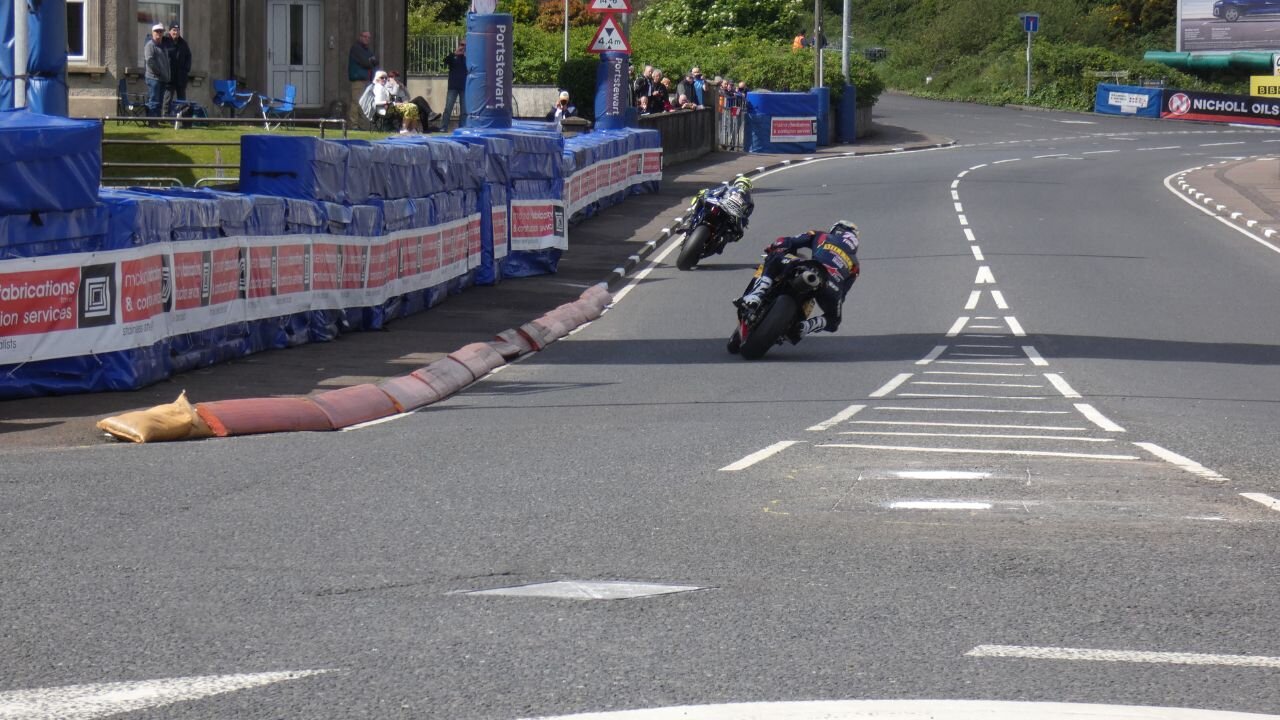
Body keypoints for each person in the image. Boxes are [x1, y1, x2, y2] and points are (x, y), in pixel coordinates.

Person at [737, 219, 862, 344]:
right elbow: (843, 295)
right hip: (831, 287)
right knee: (834, 321)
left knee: (774, 257)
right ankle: (807, 326)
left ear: (836, 230)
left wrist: (775, 246)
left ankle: (756, 295)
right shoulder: (855, 265)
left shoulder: (822, 236)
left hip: (809, 267)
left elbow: (790, 241)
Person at [348, 30, 378, 128]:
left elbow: (376, 61)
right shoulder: (356, 48)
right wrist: (370, 61)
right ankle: (353, 124)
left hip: (366, 80)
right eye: (365, 36)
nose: (367, 39)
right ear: (360, 37)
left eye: (368, 37)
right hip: (358, 79)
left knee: (363, 103)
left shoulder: (367, 50)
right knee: (356, 102)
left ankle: (361, 125)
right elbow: (366, 62)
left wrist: (371, 61)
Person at [143, 23, 170, 121]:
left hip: (162, 78)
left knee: (159, 101)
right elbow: (150, 61)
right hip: (153, 78)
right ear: (153, 33)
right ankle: (152, 121)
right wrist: (158, 72)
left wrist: (166, 75)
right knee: (153, 101)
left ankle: (157, 120)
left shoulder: (163, 46)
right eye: (156, 31)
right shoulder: (150, 45)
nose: (159, 33)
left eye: (161, 31)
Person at [164, 24, 192, 110]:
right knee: (167, 99)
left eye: (177, 30)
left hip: (181, 77)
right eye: (174, 30)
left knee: (182, 101)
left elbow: (188, 57)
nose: (176, 32)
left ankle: (181, 119)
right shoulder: (165, 41)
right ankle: (164, 118)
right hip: (169, 77)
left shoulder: (183, 43)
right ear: (169, 31)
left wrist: (186, 70)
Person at [442, 41, 467, 131]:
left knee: (464, 110)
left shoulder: (467, 58)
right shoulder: (453, 56)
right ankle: (443, 127)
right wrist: (455, 53)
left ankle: (462, 128)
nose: (463, 47)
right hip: (453, 86)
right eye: (461, 44)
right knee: (448, 108)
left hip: (464, 87)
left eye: (465, 45)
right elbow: (445, 61)